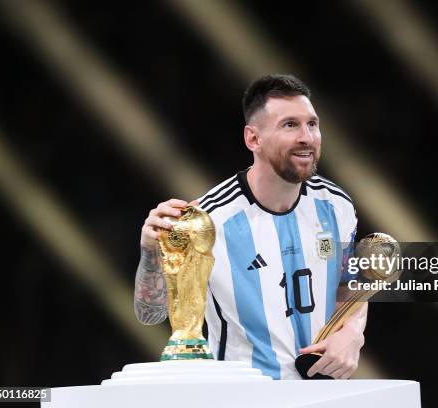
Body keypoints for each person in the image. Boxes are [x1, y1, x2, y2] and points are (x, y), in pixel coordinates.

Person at [134, 74, 367, 380]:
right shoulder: (208, 219)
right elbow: (151, 314)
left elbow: (349, 286)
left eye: (312, 124)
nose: (307, 137)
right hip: (244, 396)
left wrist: (352, 332)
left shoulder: (337, 206)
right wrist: (151, 253)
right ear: (253, 139)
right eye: (290, 125)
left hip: (324, 395)